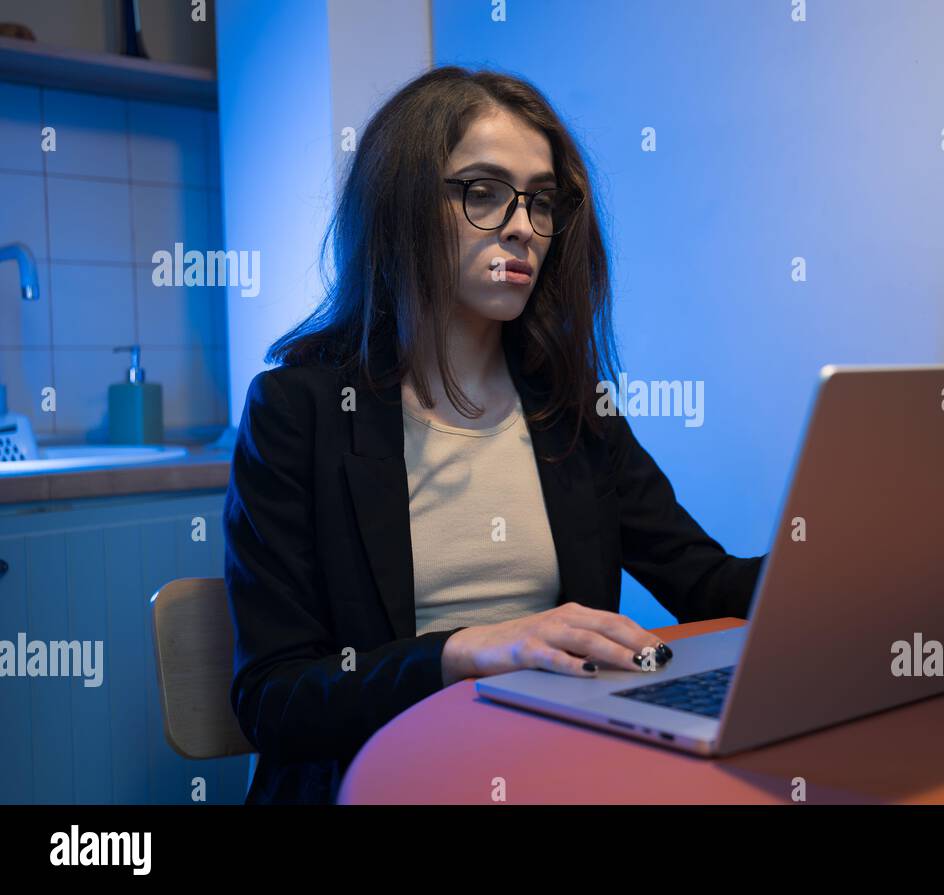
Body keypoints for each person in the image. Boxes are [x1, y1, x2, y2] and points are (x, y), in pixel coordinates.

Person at [224, 66, 765, 804]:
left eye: (541, 201)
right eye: (482, 191)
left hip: (549, 767)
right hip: (377, 778)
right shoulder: (298, 412)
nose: (521, 226)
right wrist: (465, 650)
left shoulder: (571, 408)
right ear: (401, 202)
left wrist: (841, 561)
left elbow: (705, 580)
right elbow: (274, 698)